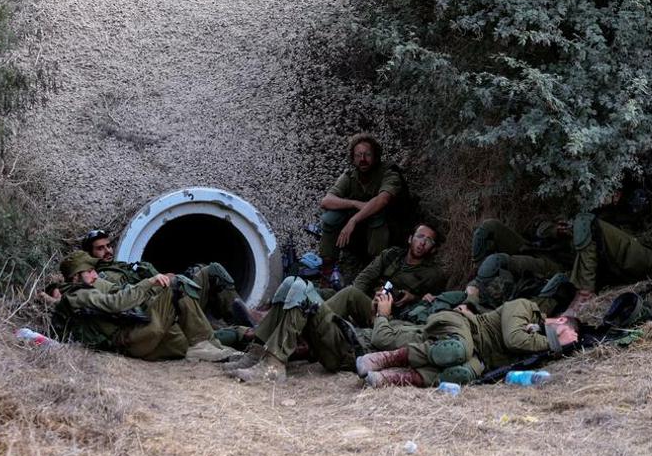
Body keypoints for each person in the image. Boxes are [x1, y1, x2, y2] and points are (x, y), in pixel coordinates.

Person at [228, 224, 448, 382]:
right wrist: (372, 301)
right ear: (411, 238)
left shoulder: (433, 275)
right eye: (420, 236)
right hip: (371, 306)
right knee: (293, 282)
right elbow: (364, 278)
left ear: (433, 248)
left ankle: (273, 353)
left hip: (389, 317)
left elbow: (427, 305)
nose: (422, 243)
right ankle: (257, 351)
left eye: (429, 241)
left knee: (341, 293)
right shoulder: (392, 256)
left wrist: (412, 299)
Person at [356, 295, 580, 388]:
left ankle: (393, 378)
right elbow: (514, 339)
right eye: (565, 332)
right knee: (458, 350)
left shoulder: (540, 346)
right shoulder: (525, 307)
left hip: (479, 357)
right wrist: (557, 341)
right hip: (463, 326)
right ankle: (387, 358)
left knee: (460, 374)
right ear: (560, 320)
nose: (563, 339)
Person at [51, 252, 238, 362]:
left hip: (136, 333)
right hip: (129, 339)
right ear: (76, 276)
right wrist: (150, 282)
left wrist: (153, 289)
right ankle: (204, 344)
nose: (95, 275)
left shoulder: (89, 287)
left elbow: (121, 292)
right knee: (178, 286)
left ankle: (220, 342)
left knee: (182, 344)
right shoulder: (78, 295)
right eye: (89, 271)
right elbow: (117, 303)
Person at [80, 229, 252, 327]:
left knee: (203, 269)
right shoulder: (102, 276)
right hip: (159, 308)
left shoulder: (121, 266)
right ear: (90, 254)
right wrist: (163, 282)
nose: (108, 251)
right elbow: (125, 298)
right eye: (100, 248)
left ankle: (239, 319)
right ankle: (241, 327)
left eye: (109, 246)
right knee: (212, 271)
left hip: (169, 297)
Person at [315, 133, 410, 286]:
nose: (363, 159)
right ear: (353, 158)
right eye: (358, 155)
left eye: (367, 154)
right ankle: (327, 269)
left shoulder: (389, 173)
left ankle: (376, 270)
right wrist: (354, 204)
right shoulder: (350, 176)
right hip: (360, 234)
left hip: (389, 233)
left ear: (376, 156)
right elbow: (326, 201)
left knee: (377, 213)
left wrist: (354, 219)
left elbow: (383, 199)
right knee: (330, 217)